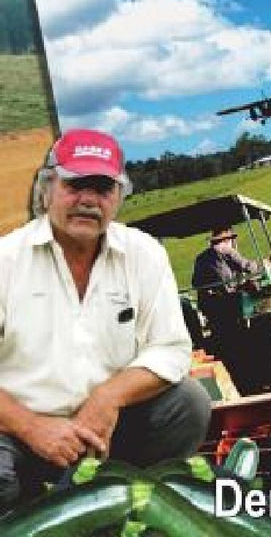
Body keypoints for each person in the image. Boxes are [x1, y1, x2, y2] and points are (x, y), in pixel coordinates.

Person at [0, 128, 211, 511]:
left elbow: (172, 349)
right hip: (17, 434)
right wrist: (32, 427)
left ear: (118, 197)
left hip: (108, 432)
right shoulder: (6, 261)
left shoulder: (143, 254)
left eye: (102, 188)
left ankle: (139, 508)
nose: (87, 200)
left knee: (188, 404)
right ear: (47, 189)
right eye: (75, 185)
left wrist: (108, 398)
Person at [192, 227, 261, 389]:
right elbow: (247, 267)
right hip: (229, 305)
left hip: (210, 308)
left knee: (222, 338)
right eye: (229, 239)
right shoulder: (227, 252)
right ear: (226, 240)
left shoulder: (200, 258)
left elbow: (195, 283)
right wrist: (262, 264)